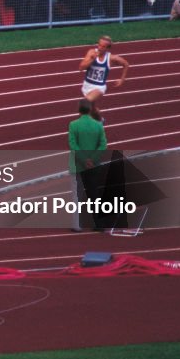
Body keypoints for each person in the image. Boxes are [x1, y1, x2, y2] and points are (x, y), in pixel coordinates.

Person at [68, 99, 108, 232]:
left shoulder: (73, 125)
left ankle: (77, 225)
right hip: (94, 165)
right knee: (94, 193)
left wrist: (84, 160)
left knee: (77, 196)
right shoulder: (98, 125)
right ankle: (99, 224)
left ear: (79, 110)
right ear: (90, 110)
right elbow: (102, 145)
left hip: (78, 165)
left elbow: (73, 145)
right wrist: (92, 159)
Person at [78, 36, 129, 122]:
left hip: (99, 87)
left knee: (84, 104)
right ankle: (100, 120)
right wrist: (92, 59)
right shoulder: (91, 52)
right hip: (87, 85)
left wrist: (122, 79)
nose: (100, 48)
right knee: (93, 110)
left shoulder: (111, 58)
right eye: (99, 45)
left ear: (108, 48)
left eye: (103, 46)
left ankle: (80, 126)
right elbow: (81, 68)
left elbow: (126, 64)